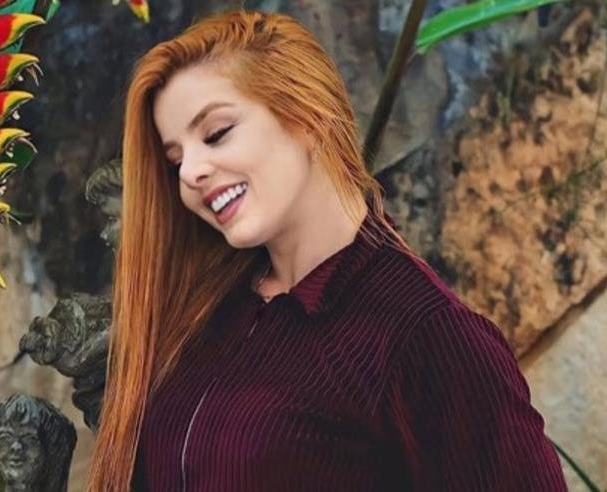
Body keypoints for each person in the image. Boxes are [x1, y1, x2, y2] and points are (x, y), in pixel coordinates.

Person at [86, 9, 567, 492]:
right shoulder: (209, 310)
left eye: (216, 133)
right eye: (176, 161)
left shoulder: (427, 335)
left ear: (308, 119)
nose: (191, 173)